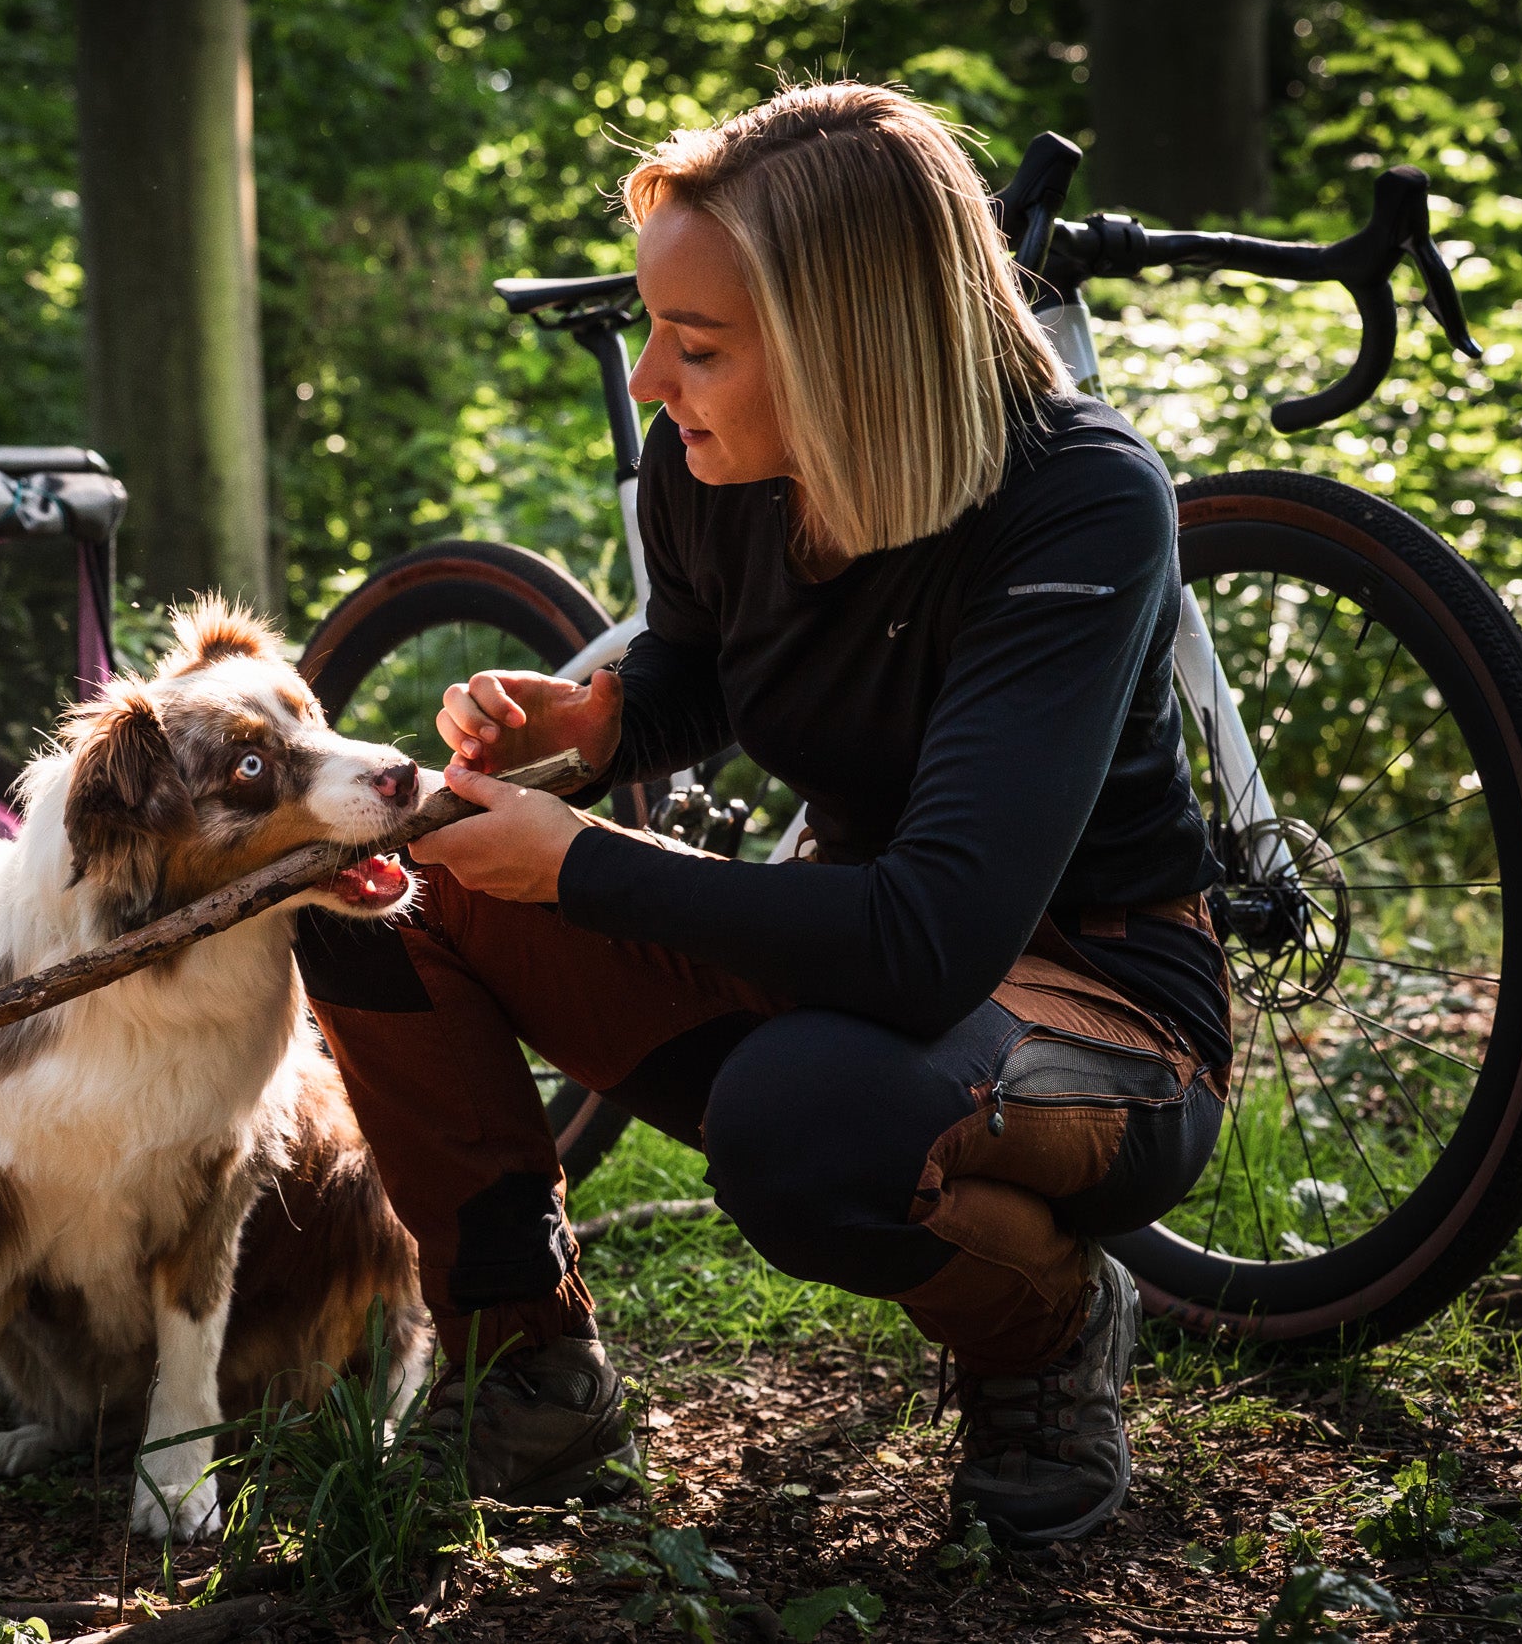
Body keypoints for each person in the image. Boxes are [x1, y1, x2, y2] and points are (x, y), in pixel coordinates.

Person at [292, 80, 1231, 1547]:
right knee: (388, 893)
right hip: (844, 960)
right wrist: (596, 728)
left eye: (700, 344)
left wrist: (585, 866)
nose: (653, 380)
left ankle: (1044, 1328)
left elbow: (931, 939)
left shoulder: (1080, 503)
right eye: (656, 331)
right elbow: (697, 668)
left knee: (805, 1121)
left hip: (1105, 1018)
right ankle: (525, 1360)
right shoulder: (712, 471)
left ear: (846, 343)